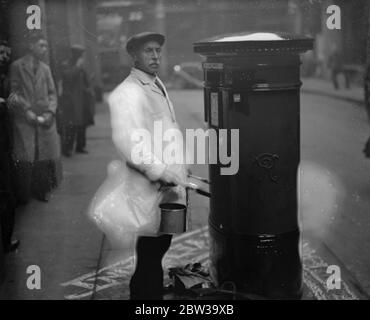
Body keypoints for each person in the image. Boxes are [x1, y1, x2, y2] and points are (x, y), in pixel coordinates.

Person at [108, 32, 187, 300]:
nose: (155, 56)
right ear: (134, 55)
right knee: (151, 252)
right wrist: (160, 171)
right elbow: (128, 142)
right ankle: (145, 299)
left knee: (157, 247)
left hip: (165, 185)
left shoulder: (155, 82)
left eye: (158, 51)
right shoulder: (129, 91)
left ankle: (148, 293)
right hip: (150, 186)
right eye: (148, 51)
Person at [8, 32, 61, 203]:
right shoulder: (17, 66)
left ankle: (41, 191)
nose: (45, 49)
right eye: (42, 45)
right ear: (31, 46)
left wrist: (50, 112)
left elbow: (53, 94)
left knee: (43, 158)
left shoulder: (45, 68)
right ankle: (24, 194)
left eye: (46, 46)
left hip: (45, 119)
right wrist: (26, 111)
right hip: (26, 120)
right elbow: (13, 94)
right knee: (26, 158)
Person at [0, 38, 19, 253]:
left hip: (5, 144)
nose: (5, 56)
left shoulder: (6, 76)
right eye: (1, 52)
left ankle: (6, 240)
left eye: (7, 52)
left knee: (8, 196)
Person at [60, 45, 94, 157]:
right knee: (71, 126)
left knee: (82, 125)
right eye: (79, 55)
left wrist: (88, 89)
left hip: (81, 100)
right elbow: (68, 77)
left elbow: (85, 81)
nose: (81, 58)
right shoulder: (67, 66)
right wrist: (78, 67)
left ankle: (80, 146)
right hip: (71, 101)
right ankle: (67, 149)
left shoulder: (80, 67)